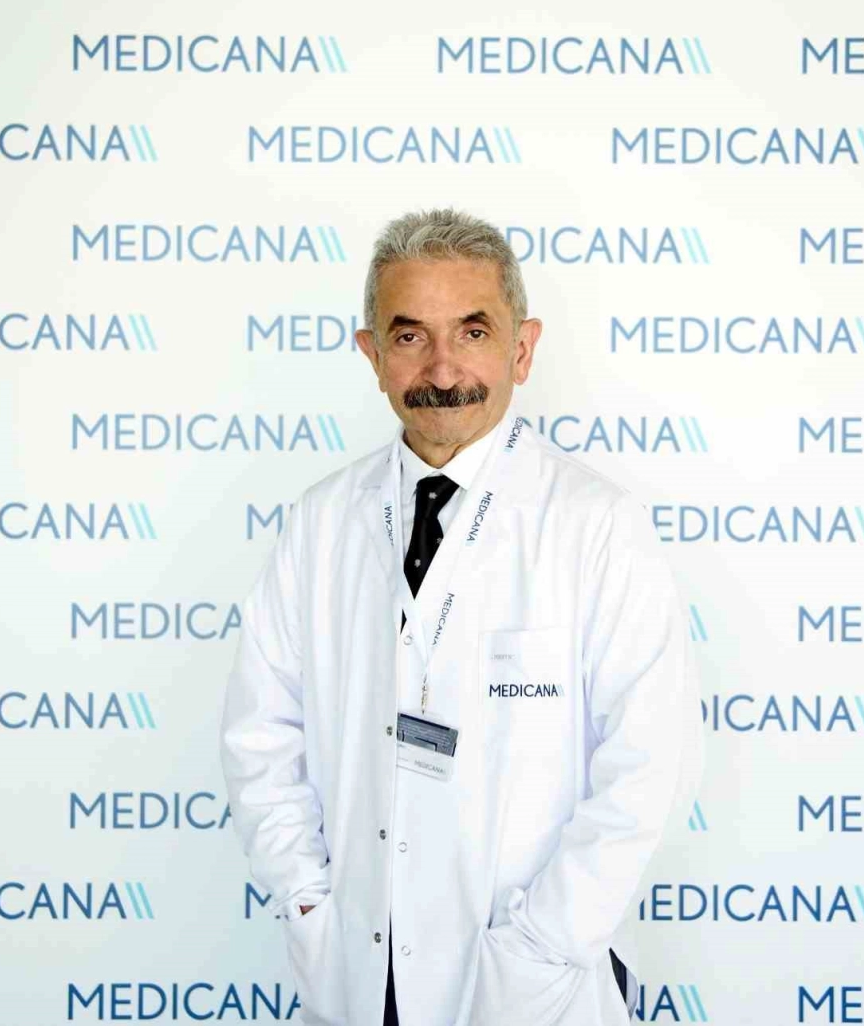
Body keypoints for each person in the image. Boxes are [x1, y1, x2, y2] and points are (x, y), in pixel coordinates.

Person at [219, 206, 704, 1026]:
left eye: (473, 332)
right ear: (373, 356)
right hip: (359, 974)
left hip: (531, 985)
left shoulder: (595, 525)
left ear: (522, 348)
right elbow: (259, 738)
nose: (442, 368)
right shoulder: (320, 522)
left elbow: (651, 768)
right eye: (409, 336)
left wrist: (540, 949)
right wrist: (307, 903)